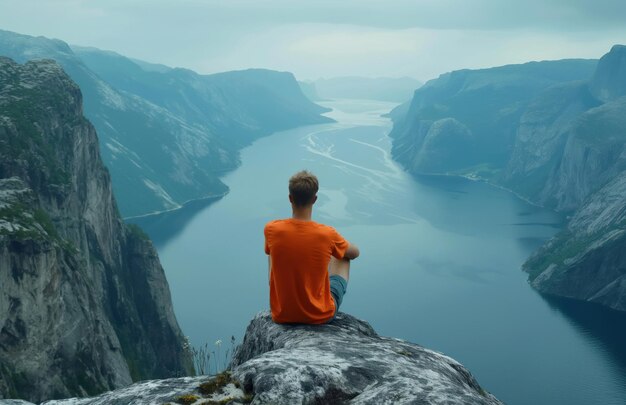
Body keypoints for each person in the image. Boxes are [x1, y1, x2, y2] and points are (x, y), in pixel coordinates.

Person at [264, 170, 360, 324]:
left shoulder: (272, 229)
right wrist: (335, 244)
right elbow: (355, 253)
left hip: (282, 315)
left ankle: (288, 300)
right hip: (319, 315)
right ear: (315, 199)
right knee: (342, 257)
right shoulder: (327, 234)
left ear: (290, 198)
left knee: (272, 250)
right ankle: (317, 296)